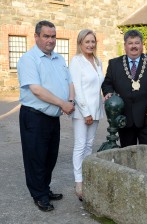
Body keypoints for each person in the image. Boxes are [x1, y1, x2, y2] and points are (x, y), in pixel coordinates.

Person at [17, 20, 75, 212]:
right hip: (34, 117)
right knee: (36, 158)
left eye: (53, 36)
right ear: (36, 37)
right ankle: (39, 195)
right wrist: (62, 104)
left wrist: (71, 101)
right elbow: (36, 90)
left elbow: (68, 81)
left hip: (52, 117)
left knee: (50, 157)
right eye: (46, 36)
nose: (50, 40)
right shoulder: (29, 59)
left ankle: (45, 188)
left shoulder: (58, 59)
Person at [101, 30, 147, 147]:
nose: (134, 46)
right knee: (127, 156)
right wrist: (109, 92)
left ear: (142, 45)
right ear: (125, 46)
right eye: (130, 43)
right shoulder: (114, 64)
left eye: (137, 43)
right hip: (124, 119)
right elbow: (107, 83)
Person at [69, 29, 104, 201]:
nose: (90, 45)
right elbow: (78, 89)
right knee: (80, 145)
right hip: (82, 112)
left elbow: (98, 87)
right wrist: (86, 112)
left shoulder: (98, 61)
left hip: (96, 110)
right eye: (87, 42)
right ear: (80, 43)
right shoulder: (77, 61)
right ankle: (78, 182)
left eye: (93, 41)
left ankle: (87, 176)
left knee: (90, 145)